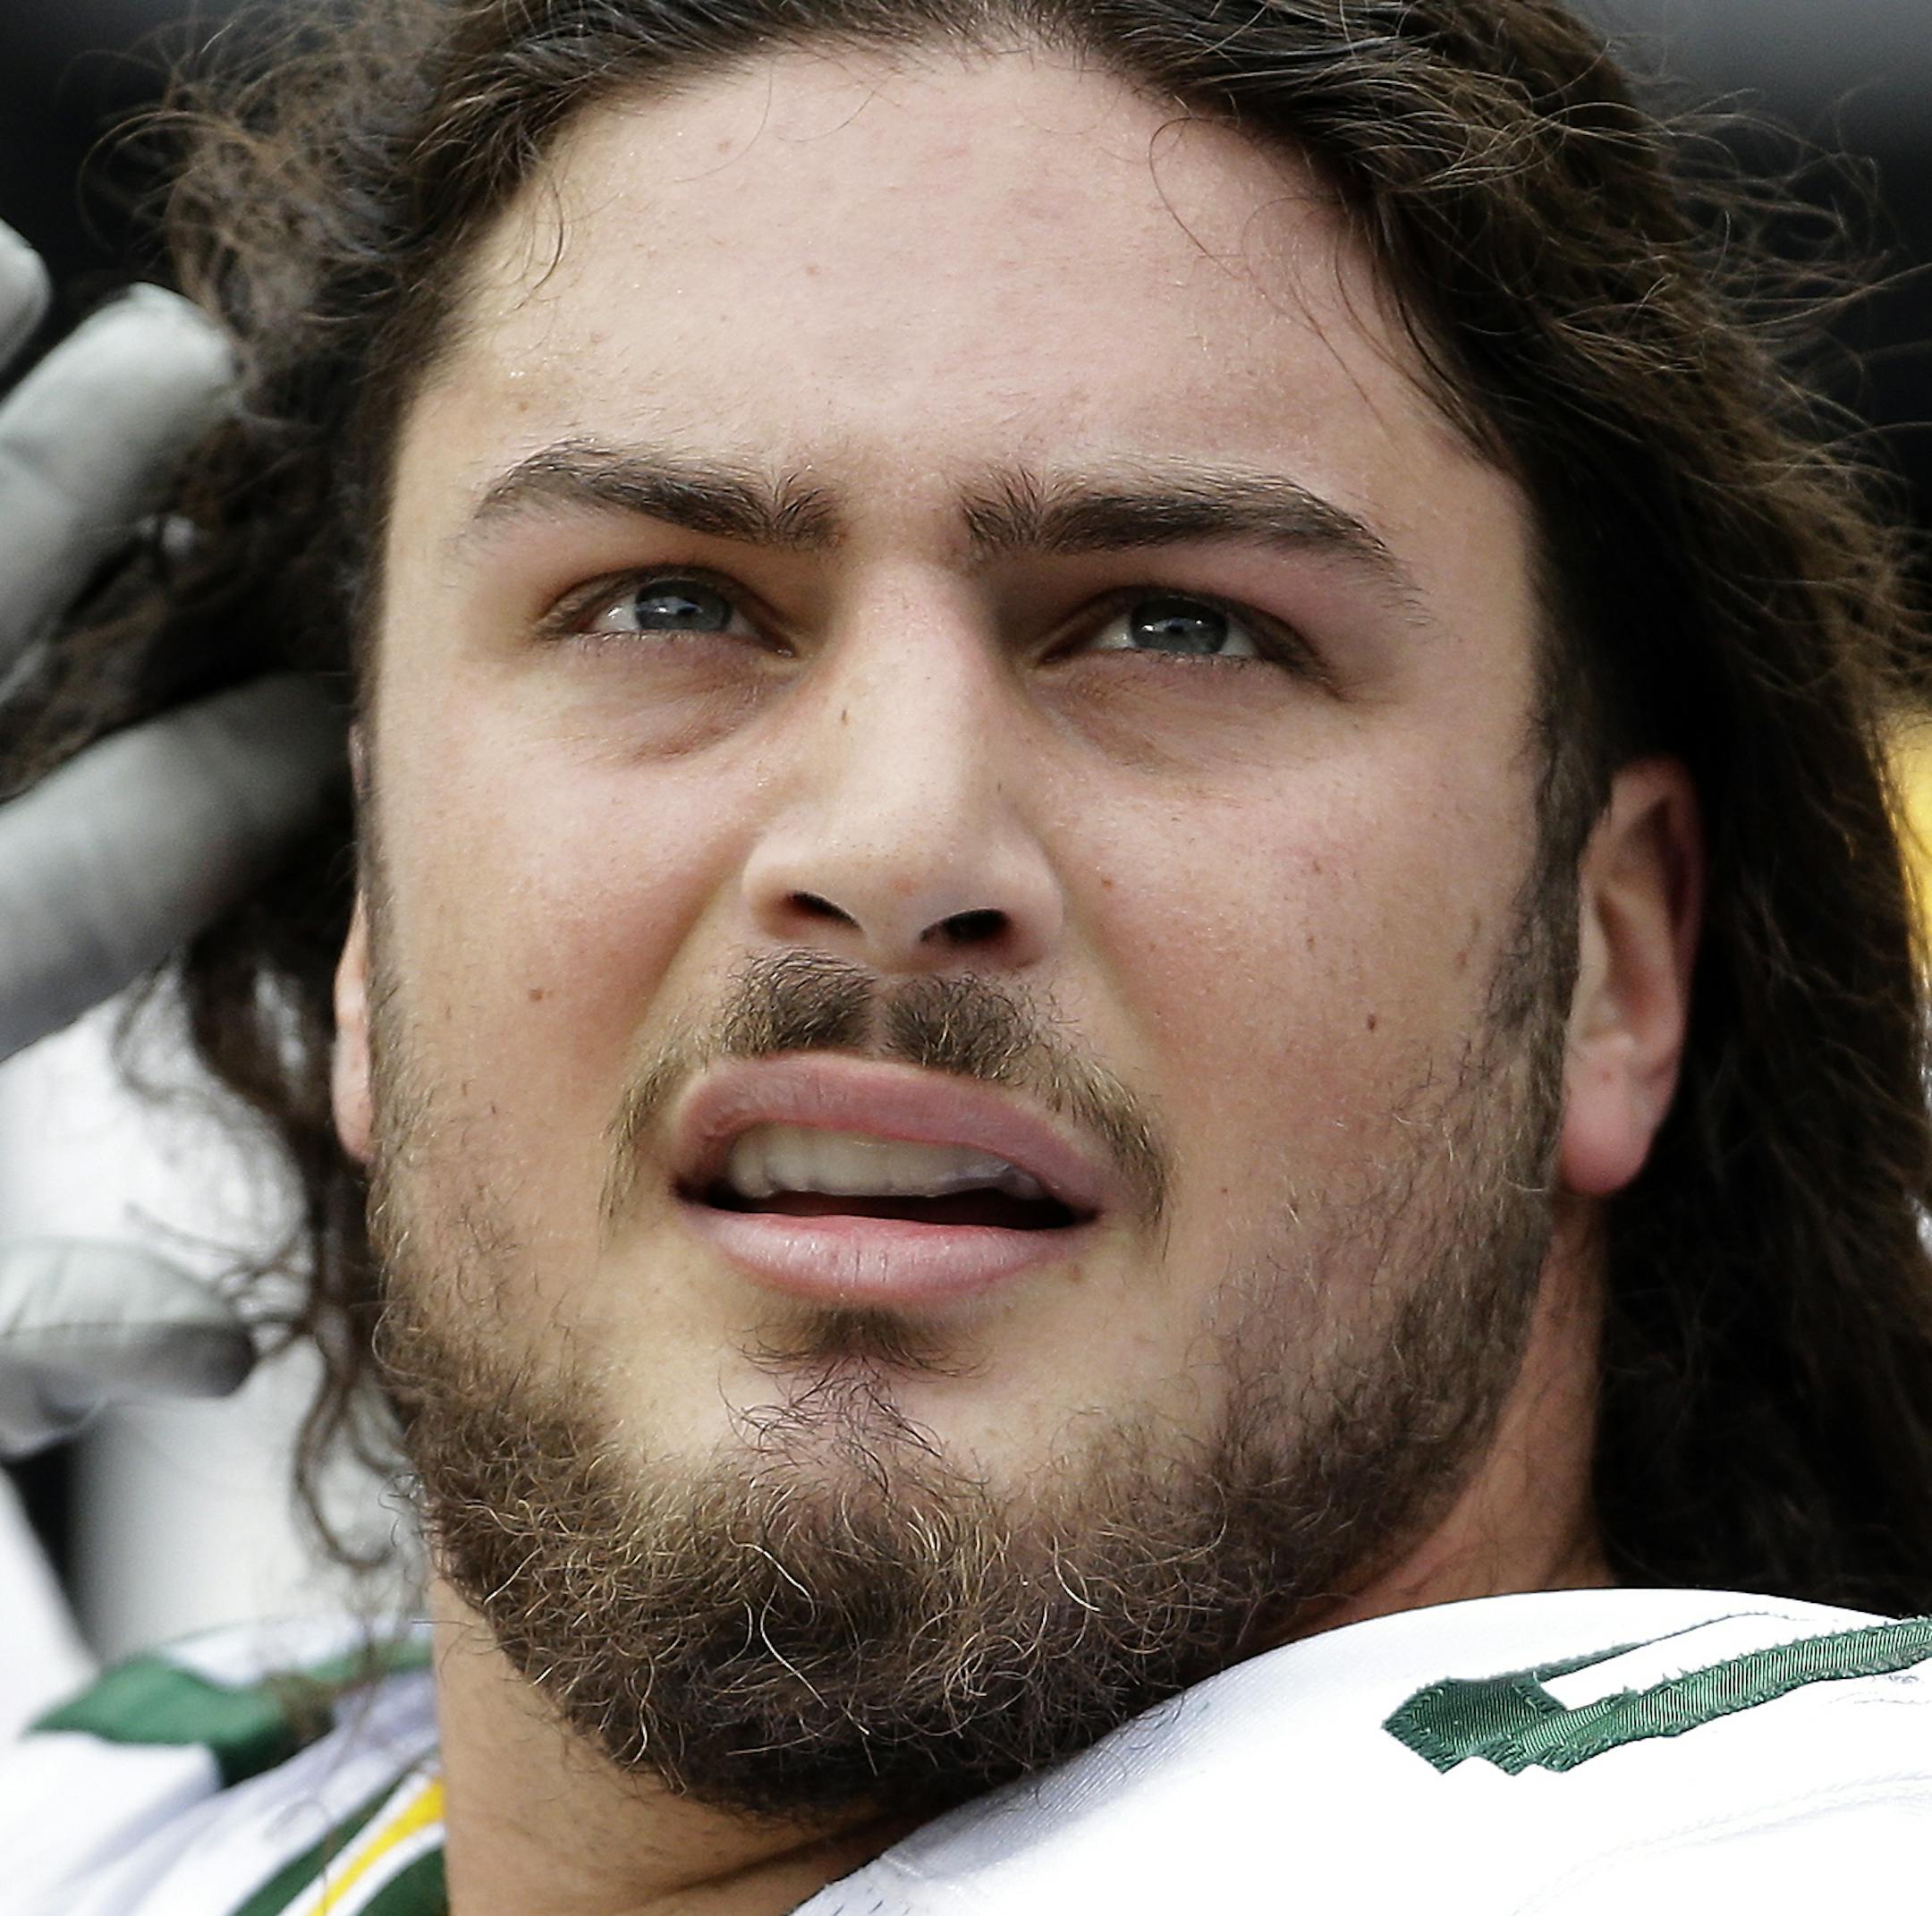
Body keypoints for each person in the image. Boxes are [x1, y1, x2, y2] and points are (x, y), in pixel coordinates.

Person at [5, 0, 1932, 1909]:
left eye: (1178, 628)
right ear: (372, 910)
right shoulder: (129, 1828)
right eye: (666, 601)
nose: (894, 841)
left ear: (1614, 965)